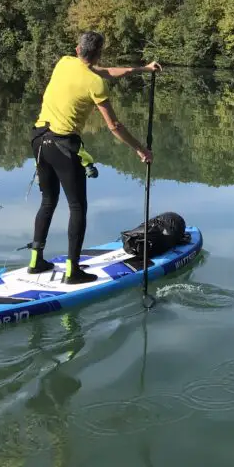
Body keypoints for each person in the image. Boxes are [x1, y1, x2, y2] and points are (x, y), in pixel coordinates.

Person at [26, 31, 161, 284]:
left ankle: (36, 261)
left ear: (77, 50)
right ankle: (72, 271)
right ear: (98, 53)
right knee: (77, 207)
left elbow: (105, 71)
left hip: (38, 140)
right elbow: (114, 126)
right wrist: (140, 149)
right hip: (63, 145)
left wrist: (142, 69)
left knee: (48, 201)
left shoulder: (64, 63)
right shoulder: (94, 84)